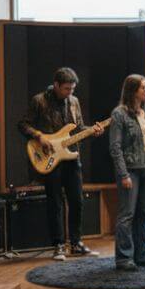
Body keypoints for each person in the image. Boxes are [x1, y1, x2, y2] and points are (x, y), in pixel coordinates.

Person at [17, 67, 104, 261]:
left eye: (72, 89)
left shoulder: (74, 102)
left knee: (77, 201)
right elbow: (23, 124)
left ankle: (76, 243)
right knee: (54, 203)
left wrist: (93, 131)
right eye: (66, 88)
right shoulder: (39, 100)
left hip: (72, 158)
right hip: (49, 158)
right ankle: (58, 245)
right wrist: (39, 136)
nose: (70, 92)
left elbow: (78, 129)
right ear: (56, 85)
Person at [108, 74, 145, 271]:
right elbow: (115, 148)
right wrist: (123, 175)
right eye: (143, 88)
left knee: (144, 214)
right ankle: (123, 258)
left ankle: (142, 255)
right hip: (130, 170)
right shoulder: (119, 114)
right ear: (132, 90)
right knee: (127, 214)